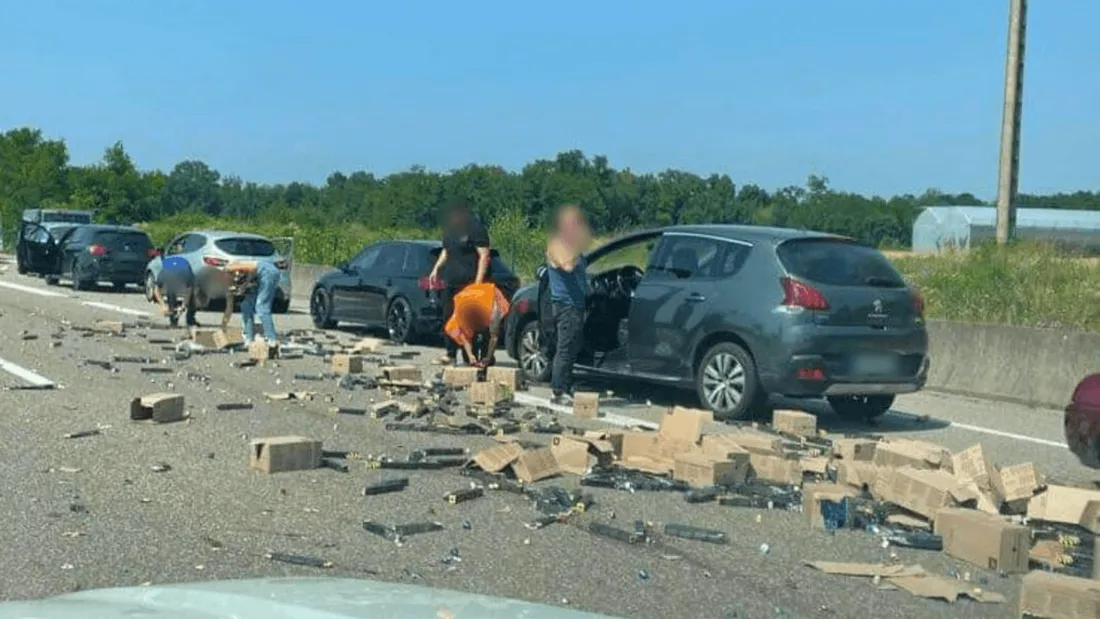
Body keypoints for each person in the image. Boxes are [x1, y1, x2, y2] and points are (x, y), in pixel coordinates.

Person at [428, 200, 492, 365]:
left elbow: (484, 255)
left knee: (469, 321)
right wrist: (435, 269)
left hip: (469, 283)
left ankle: (472, 357)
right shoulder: (450, 229)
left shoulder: (475, 228)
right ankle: (450, 354)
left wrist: (478, 284)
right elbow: (446, 251)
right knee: (449, 319)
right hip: (450, 282)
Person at [545, 204, 592, 405]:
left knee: (573, 346)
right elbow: (568, 266)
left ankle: (566, 384)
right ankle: (557, 390)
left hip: (576, 304)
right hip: (566, 305)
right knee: (565, 348)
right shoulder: (557, 245)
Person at [443, 282, 510, 368]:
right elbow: (463, 335)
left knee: (487, 349)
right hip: (470, 298)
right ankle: (473, 356)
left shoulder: (495, 309)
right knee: (468, 358)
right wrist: (470, 354)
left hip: (489, 295)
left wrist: (488, 357)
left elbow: (494, 337)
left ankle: (486, 355)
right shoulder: (460, 312)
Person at [224, 259, 281, 347]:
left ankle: (272, 339)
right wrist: (244, 286)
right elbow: (229, 306)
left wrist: (243, 286)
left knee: (261, 307)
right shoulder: (233, 275)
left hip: (267, 272)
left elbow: (251, 271)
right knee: (246, 305)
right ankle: (249, 339)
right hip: (261, 274)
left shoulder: (232, 268)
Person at [153, 255, 199, 328]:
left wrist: (184, 306)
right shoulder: (163, 274)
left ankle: (190, 319)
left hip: (183, 266)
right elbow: (156, 290)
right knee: (171, 293)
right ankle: (173, 320)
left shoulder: (186, 275)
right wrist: (163, 305)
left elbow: (189, 291)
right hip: (171, 265)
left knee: (194, 295)